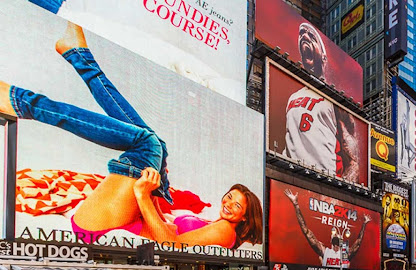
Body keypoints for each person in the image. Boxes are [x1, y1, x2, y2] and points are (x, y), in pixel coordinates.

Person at [0, 23, 264, 250]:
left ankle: (25, 101)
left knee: (148, 143)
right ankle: (76, 54)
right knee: (156, 143)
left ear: (245, 218)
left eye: (237, 205)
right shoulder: (215, 223)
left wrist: (142, 194)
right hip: (116, 217)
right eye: (229, 197)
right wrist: (155, 192)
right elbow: (165, 226)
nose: (228, 204)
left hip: (99, 226)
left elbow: (170, 246)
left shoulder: (226, 232)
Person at [283, 22, 361, 182]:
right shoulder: (292, 96)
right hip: (291, 175)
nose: (304, 36)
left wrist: (342, 187)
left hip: (325, 179)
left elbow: (353, 156)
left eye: (311, 36)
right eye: (302, 34)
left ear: (324, 57)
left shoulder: (335, 98)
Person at [284, 189, 371, 268]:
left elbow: (358, 243)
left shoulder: (345, 255)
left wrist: (364, 224)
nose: (336, 245)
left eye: (338, 240)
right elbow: (307, 232)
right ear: (331, 241)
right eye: (334, 240)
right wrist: (296, 205)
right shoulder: (325, 252)